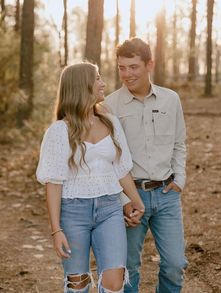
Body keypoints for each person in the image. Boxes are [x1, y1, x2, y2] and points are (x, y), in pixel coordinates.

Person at [36, 62, 145, 293]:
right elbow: (53, 184)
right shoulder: (59, 131)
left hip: (110, 209)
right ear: (81, 85)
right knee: (78, 283)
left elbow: (121, 169)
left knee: (115, 281)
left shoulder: (110, 122)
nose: (103, 83)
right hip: (73, 213)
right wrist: (56, 230)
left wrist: (136, 200)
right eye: (97, 79)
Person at [105, 38, 188, 293]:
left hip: (166, 195)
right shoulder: (109, 105)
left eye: (133, 67)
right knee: (128, 268)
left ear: (149, 64)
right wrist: (123, 200)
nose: (127, 74)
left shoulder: (170, 99)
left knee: (175, 264)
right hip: (130, 196)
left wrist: (179, 180)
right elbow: (107, 158)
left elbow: (179, 143)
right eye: (122, 67)